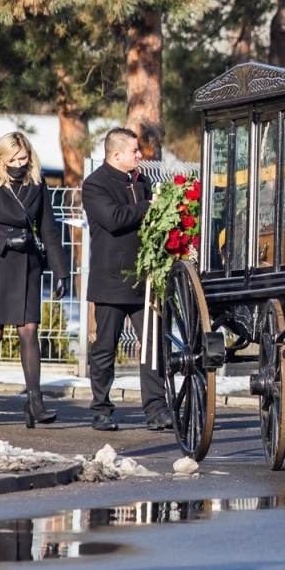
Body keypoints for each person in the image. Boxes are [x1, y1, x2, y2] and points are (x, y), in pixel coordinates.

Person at [0, 132, 69, 427]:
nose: (20, 164)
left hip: (27, 266)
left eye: (24, 158)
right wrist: (4, 242)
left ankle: (35, 401)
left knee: (29, 330)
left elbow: (49, 230)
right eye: (14, 160)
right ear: (2, 159)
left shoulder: (37, 184)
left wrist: (61, 272)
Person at [81, 128, 172, 432]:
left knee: (152, 347)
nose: (139, 155)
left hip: (145, 279)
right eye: (134, 151)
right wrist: (149, 207)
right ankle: (101, 410)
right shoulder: (95, 184)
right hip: (111, 279)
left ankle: (157, 410)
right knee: (105, 347)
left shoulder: (142, 182)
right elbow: (114, 219)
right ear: (116, 154)